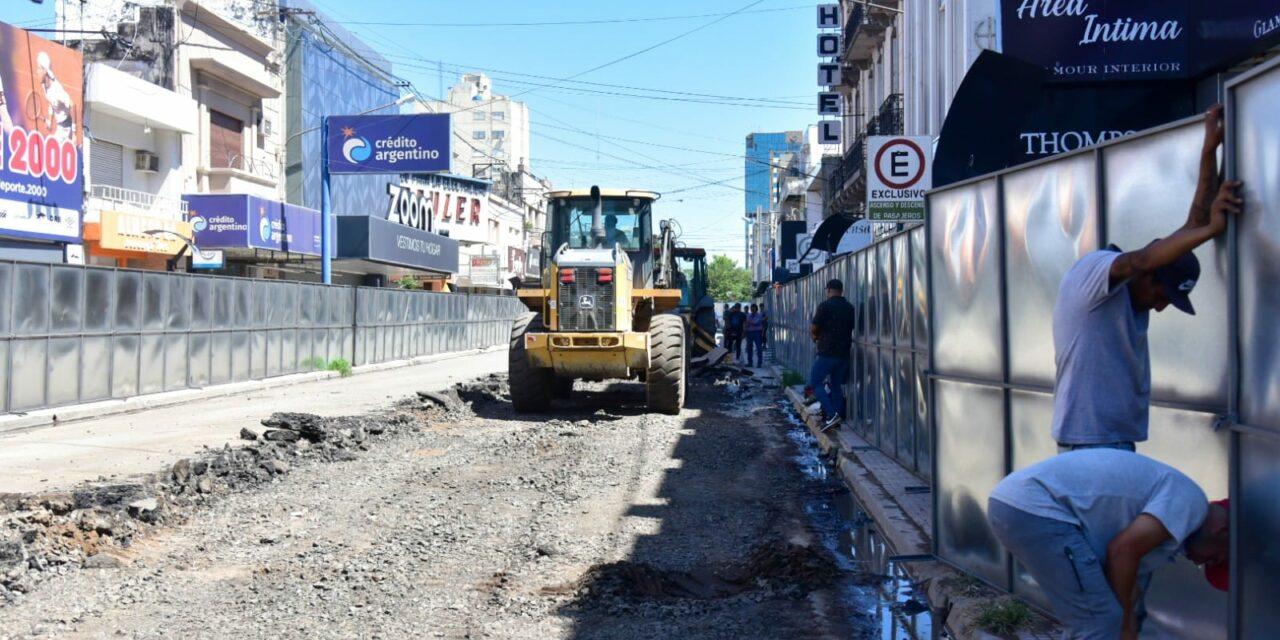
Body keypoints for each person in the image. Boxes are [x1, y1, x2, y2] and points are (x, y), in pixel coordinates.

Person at [1051, 105, 1244, 452]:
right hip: (1090, 443)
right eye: (1162, 294)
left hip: (1113, 440)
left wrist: (1209, 150)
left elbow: (1193, 226)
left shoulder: (1137, 278)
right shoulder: (1095, 272)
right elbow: (1141, 259)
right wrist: (1213, 227)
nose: (1159, 307)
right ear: (1148, 274)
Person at [988, 449, 1229, 639]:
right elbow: (1123, 551)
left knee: (1093, 619)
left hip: (1022, 507)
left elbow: (1128, 584)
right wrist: (1125, 626)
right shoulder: (1192, 504)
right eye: (1214, 559)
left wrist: (1129, 624)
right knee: (1102, 622)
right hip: (1035, 508)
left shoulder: (1171, 528)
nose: (1200, 562)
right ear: (1221, 530)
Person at [809, 279, 854, 432]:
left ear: (828, 290)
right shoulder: (850, 308)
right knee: (836, 386)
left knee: (815, 382)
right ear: (841, 291)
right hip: (844, 354)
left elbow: (814, 327)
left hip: (827, 353)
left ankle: (831, 414)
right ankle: (835, 419)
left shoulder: (825, 306)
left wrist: (814, 337)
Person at [37, 51, 74, 143]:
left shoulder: (57, 90)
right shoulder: (44, 85)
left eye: (38, 68)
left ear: (45, 71)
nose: (36, 71)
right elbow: (51, 102)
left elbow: (73, 105)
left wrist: (74, 133)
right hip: (59, 125)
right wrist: (49, 120)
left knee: (51, 147)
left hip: (66, 128)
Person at [744, 303, 765, 368]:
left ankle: (759, 363)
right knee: (749, 348)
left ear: (756, 309)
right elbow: (746, 323)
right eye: (751, 308)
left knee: (759, 347)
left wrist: (749, 322)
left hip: (757, 332)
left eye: (753, 308)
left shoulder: (759, 315)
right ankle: (750, 363)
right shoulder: (748, 315)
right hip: (749, 332)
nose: (752, 309)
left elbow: (756, 322)